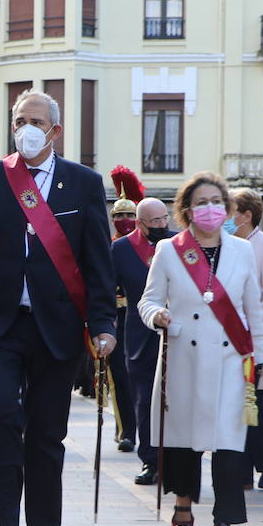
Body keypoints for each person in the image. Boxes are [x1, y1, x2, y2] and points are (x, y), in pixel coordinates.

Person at [0, 89, 117, 526]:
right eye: (21, 120)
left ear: (55, 131)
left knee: (47, 430)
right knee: (0, 416)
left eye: (37, 121)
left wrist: (103, 323)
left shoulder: (83, 183)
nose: (27, 128)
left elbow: (97, 263)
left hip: (57, 325)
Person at [139, 172, 263, 526]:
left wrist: (258, 356)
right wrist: (158, 317)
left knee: (228, 439)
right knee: (183, 435)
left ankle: (225, 518)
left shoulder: (243, 250)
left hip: (230, 357)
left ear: (226, 209)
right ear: (187, 211)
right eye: (201, 203)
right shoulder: (169, 250)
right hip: (184, 354)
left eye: (216, 202)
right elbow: (148, 300)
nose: (209, 209)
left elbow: (252, 309)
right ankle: (183, 499)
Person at [227, 189, 263, 490]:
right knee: (234, 408)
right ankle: (242, 468)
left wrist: (252, 332)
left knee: (256, 408)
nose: (225, 217)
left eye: (231, 210)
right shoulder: (228, 245)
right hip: (228, 340)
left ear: (247, 215)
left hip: (257, 339)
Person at [112, 197, 172, 486]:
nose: (162, 225)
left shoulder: (179, 243)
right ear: (140, 222)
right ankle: (150, 459)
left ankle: (174, 459)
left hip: (177, 332)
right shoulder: (120, 250)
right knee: (144, 399)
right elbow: (105, 289)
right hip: (138, 335)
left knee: (175, 400)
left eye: (165, 219)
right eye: (155, 221)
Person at [106, 167, 144, 453]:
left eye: (130, 215)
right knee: (119, 376)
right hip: (117, 318)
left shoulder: (150, 246)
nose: (124, 220)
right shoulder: (108, 247)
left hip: (143, 316)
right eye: (119, 215)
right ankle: (126, 430)